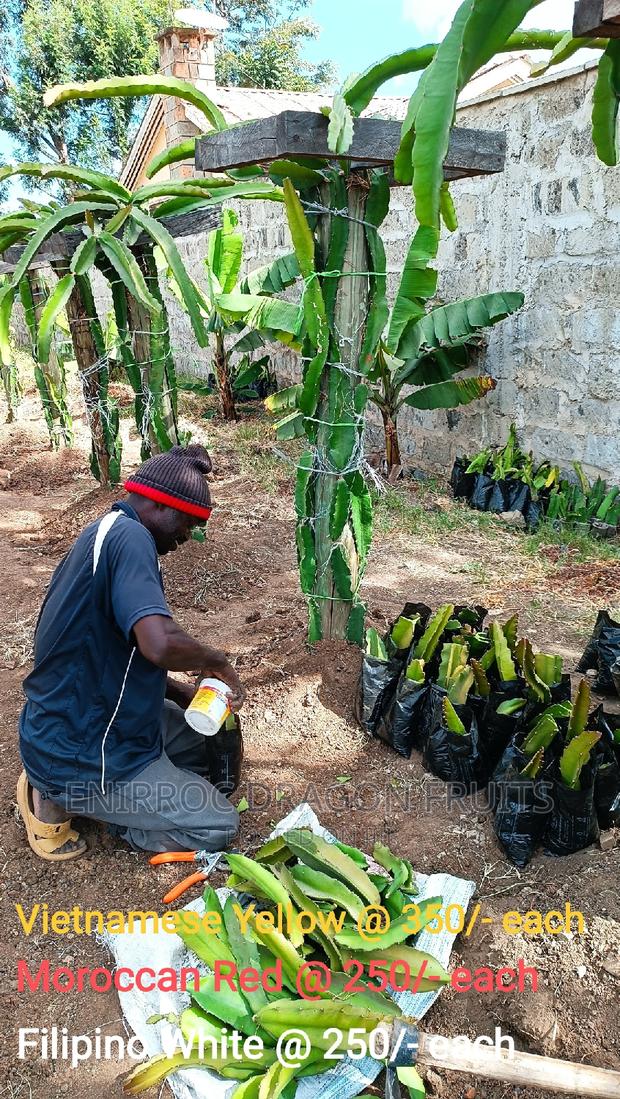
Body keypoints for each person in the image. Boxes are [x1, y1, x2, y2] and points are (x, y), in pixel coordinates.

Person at [16, 444, 244, 861]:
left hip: (88, 719)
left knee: (203, 743)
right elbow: (157, 643)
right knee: (219, 824)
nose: (188, 536)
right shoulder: (131, 539)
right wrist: (215, 661)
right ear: (160, 504)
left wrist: (179, 693)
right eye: (188, 522)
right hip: (85, 749)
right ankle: (62, 798)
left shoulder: (110, 531)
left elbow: (113, 654)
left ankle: (67, 784)